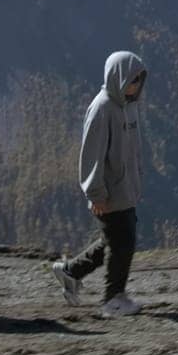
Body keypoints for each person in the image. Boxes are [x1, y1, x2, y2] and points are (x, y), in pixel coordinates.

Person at [51, 51, 148, 316]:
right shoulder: (102, 108)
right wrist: (96, 194)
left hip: (125, 188)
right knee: (122, 243)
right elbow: (91, 154)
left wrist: (136, 180)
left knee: (114, 240)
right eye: (132, 79)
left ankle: (71, 271)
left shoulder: (128, 105)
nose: (136, 85)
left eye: (139, 79)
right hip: (109, 191)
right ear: (119, 77)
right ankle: (113, 299)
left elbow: (133, 150)